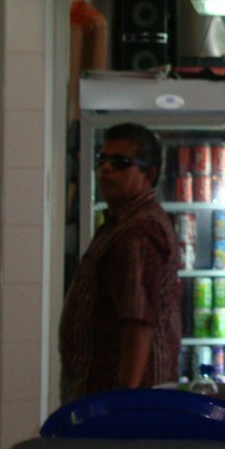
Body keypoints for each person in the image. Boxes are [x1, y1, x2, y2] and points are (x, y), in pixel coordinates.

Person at [59, 123, 182, 404]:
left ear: (149, 174)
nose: (106, 169)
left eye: (121, 162)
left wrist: (123, 402)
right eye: (102, 159)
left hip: (125, 405)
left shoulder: (139, 230)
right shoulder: (123, 222)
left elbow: (138, 322)